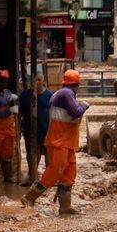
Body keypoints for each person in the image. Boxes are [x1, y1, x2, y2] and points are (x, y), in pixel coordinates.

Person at [24, 69, 88, 214]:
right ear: (77, 83)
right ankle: (29, 197)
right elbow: (76, 112)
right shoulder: (66, 94)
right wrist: (85, 104)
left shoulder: (61, 93)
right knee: (55, 172)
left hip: (67, 142)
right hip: (60, 141)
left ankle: (65, 206)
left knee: (69, 173)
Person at [17, 76, 53, 187]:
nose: (36, 82)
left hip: (46, 131)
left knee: (49, 155)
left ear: (43, 81)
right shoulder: (24, 96)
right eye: (34, 80)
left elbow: (53, 114)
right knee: (32, 154)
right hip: (29, 131)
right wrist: (18, 129)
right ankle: (32, 176)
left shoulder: (49, 95)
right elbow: (19, 114)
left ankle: (50, 178)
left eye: (39, 80)